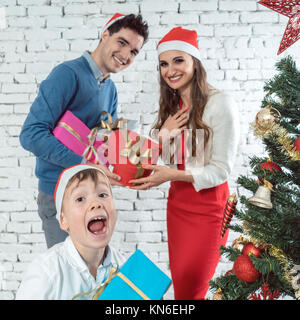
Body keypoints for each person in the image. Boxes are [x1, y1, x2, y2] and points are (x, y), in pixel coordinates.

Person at [19, 13, 149, 248]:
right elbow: (31, 134)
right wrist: (83, 162)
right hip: (59, 194)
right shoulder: (67, 75)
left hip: (92, 195)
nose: (126, 55)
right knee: (70, 278)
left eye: (134, 52)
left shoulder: (110, 89)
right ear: (105, 34)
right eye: (122, 42)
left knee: (92, 278)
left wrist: (131, 167)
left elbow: (105, 143)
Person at [129, 27, 240, 300]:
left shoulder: (220, 103)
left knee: (193, 288)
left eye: (178, 60)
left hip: (210, 211)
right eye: (164, 64)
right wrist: (163, 135)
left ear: (194, 62)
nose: (170, 70)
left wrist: (171, 176)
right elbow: (156, 162)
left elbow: (221, 170)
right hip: (178, 209)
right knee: (182, 290)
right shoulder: (173, 106)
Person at [16, 164, 126, 300]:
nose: (96, 203)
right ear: (63, 220)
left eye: (103, 194)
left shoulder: (126, 268)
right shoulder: (46, 273)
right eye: (80, 199)